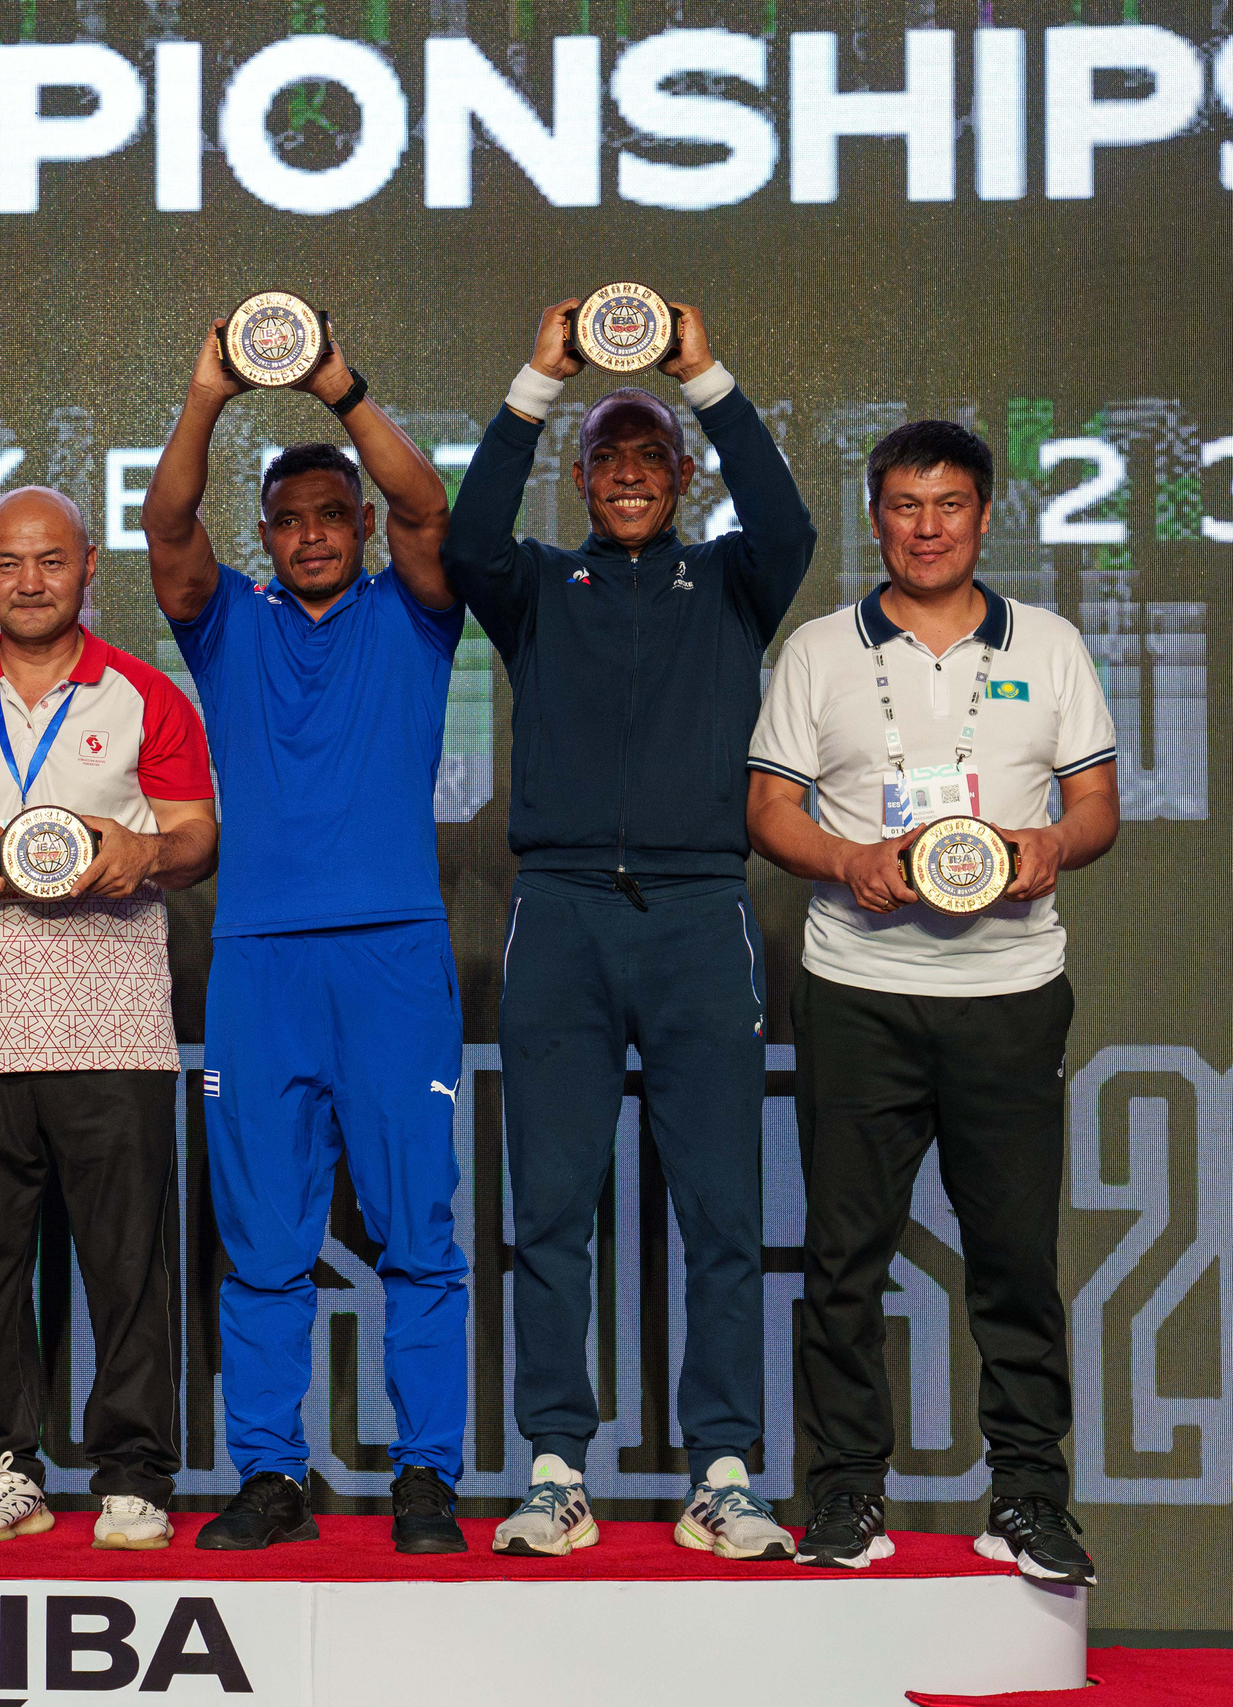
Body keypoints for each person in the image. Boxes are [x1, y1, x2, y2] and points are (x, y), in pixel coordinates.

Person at [444, 298, 817, 1562]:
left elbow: (790, 521)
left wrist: (702, 370)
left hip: (699, 916)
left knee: (721, 1209)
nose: (627, 480)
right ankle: (556, 1468)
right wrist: (536, 381)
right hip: (560, 917)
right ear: (584, 478)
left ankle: (722, 1470)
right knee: (552, 1208)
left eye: (650, 459)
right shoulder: (539, 588)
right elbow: (467, 533)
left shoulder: (730, 582)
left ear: (679, 475)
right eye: (607, 461)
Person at [748, 420, 1117, 1583]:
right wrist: (844, 862)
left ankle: (1027, 1498)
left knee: (1012, 1255)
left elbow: (1098, 808)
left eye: (948, 504)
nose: (925, 526)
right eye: (904, 505)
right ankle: (846, 1497)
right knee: (842, 1257)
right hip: (858, 985)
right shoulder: (816, 649)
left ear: (984, 516)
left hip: (1010, 989)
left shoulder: (1049, 644)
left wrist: (1051, 843)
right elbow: (769, 813)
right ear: (874, 519)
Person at [144, 318, 472, 1555]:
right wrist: (205, 390)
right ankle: (272, 1476)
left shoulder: (417, 615)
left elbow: (428, 506)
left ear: (359, 529)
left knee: (416, 1230)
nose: (315, 533)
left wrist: (338, 387)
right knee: (265, 1234)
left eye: (336, 512)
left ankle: (426, 1477)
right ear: (267, 536)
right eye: (290, 519)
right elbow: (168, 531)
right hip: (263, 966)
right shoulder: (227, 625)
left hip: (391, 957)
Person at [0, 485, 218, 1551]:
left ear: (87, 566)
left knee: (125, 1264)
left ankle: (133, 1475)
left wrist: (145, 853)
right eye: (5, 562)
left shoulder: (143, 696)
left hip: (115, 1023)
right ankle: (2, 1465)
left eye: (49, 560)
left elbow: (195, 836)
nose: (28, 581)